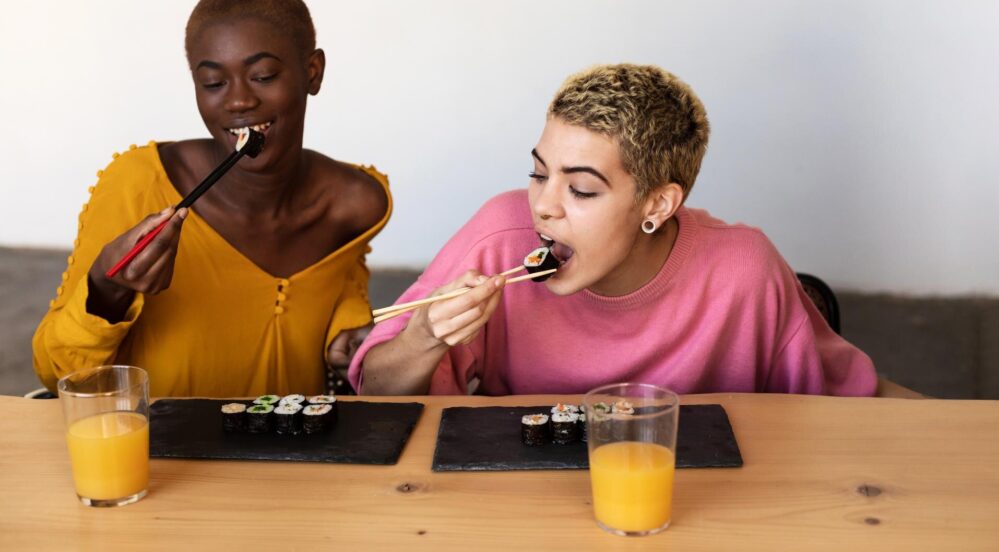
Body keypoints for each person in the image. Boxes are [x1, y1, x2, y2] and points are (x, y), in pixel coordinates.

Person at [350, 64, 919, 398]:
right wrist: (422, 340)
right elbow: (373, 390)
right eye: (538, 173)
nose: (543, 207)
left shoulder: (743, 269)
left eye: (582, 189)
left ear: (658, 203)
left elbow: (853, 405)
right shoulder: (502, 233)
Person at [33, 0, 390, 397]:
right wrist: (108, 288)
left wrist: (344, 330)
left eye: (262, 75)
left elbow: (341, 287)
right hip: (163, 455)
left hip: (296, 457)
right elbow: (55, 373)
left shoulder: (355, 202)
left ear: (312, 73)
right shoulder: (140, 183)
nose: (238, 101)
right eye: (214, 83)